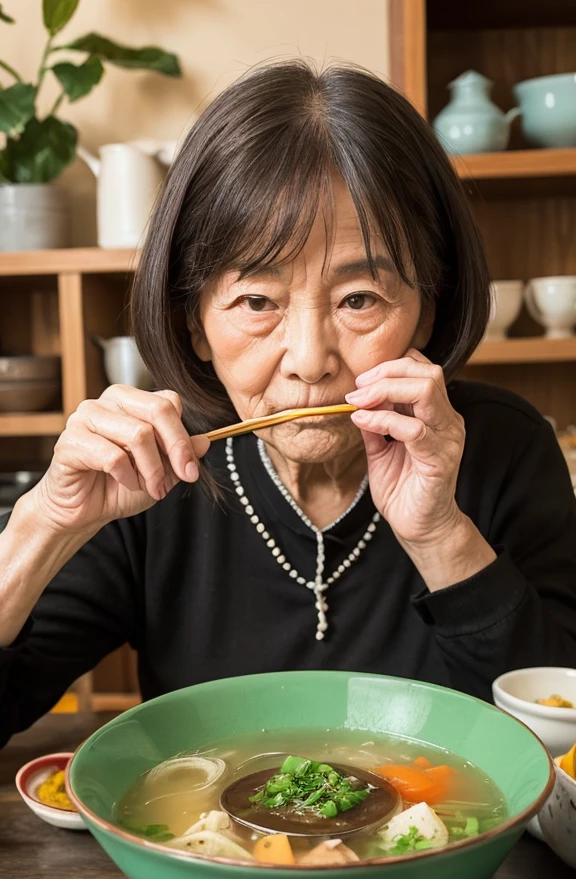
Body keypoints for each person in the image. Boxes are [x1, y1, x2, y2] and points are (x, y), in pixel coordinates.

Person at [1, 61, 575, 748]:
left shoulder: (504, 447)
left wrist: (440, 533)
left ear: (427, 311)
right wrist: (43, 523)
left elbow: (562, 748)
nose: (308, 359)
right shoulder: (151, 472)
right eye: (256, 302)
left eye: (358, 299)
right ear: (193, 322)